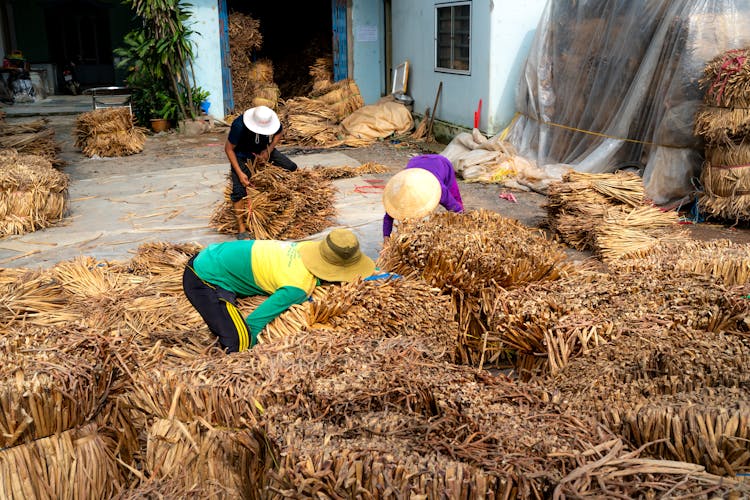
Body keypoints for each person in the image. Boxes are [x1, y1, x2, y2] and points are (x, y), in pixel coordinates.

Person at [182, 228, 375, 353]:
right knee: (239, 342)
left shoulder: (304, 247)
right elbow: (254, 322)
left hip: (218, 252)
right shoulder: (297, 288)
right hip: (204, 277)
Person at [225, 105, 298, 240]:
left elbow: (279, 132)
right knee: (239, 191)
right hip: (242, 155)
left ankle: (291, 200)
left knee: (292, 167)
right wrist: (240, 173)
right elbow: (229, 149)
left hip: (263, 150)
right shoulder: (239, 125)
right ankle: (241, 227)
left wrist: (268, 150)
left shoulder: (271, 120)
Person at [382, 154, 464, 239]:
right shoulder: (399, 189)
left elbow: (456, 208)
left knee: (454, 194)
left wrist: (463, 224)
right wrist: (386, 238)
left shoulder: (438, 188)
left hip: (441, 163)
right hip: (415, 162)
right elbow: (389, 215)